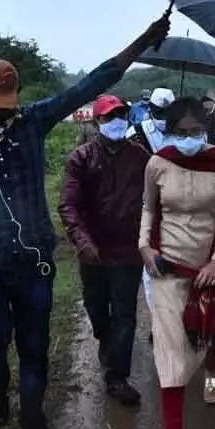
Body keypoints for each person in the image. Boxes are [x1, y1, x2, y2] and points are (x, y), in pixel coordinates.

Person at [0, 15, 171, 429]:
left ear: (16, 93)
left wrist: (142, 43)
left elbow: (92, 84)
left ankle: (34, 419)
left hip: (34, 259)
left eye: (7, 98)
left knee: (35, 346)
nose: (1, 108)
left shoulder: (34, 121)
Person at [138, 98, 215, 429]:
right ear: (169, 132)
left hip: (213, 268)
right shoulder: (158, 164)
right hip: (167, 267)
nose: (189, 137)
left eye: (196, 131)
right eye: (181, 132)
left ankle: (211, 377)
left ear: (206, 130)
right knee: (169, 346)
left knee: (210, 327)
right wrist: (144, 246)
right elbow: (148, 208)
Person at [58, 95, 148, 407]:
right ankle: (104, 342)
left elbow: (154, 197)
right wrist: (82, 240)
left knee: (125, 314)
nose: (117, 121)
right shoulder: (80, 158)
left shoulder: (140, 157)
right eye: (110, 117)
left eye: (122, 115)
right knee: (97, 309)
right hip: (92, 252)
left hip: (127, 251)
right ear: (97, 123)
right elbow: (68, 204)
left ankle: (117, 377)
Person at [128, 87, 175, 154]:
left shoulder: (185, 132)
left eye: (168, 113)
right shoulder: (136, 132)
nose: (164, 118)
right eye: (159, 113)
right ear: (150, 109)